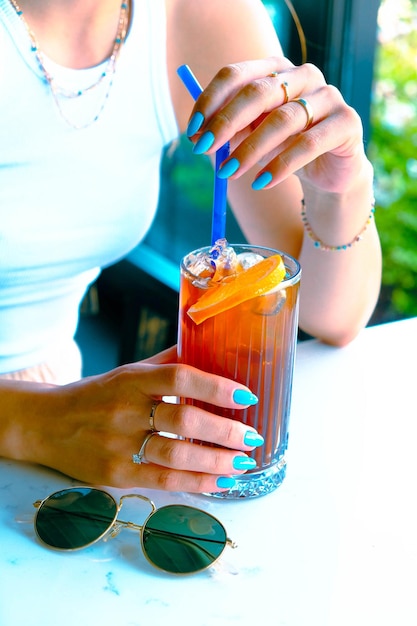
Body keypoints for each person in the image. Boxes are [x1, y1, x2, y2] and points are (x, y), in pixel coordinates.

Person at [0, 0, 381, 493]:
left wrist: (341, 190)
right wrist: (36, 422)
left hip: (60, 439)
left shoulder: (199, 14)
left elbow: (332, 316)